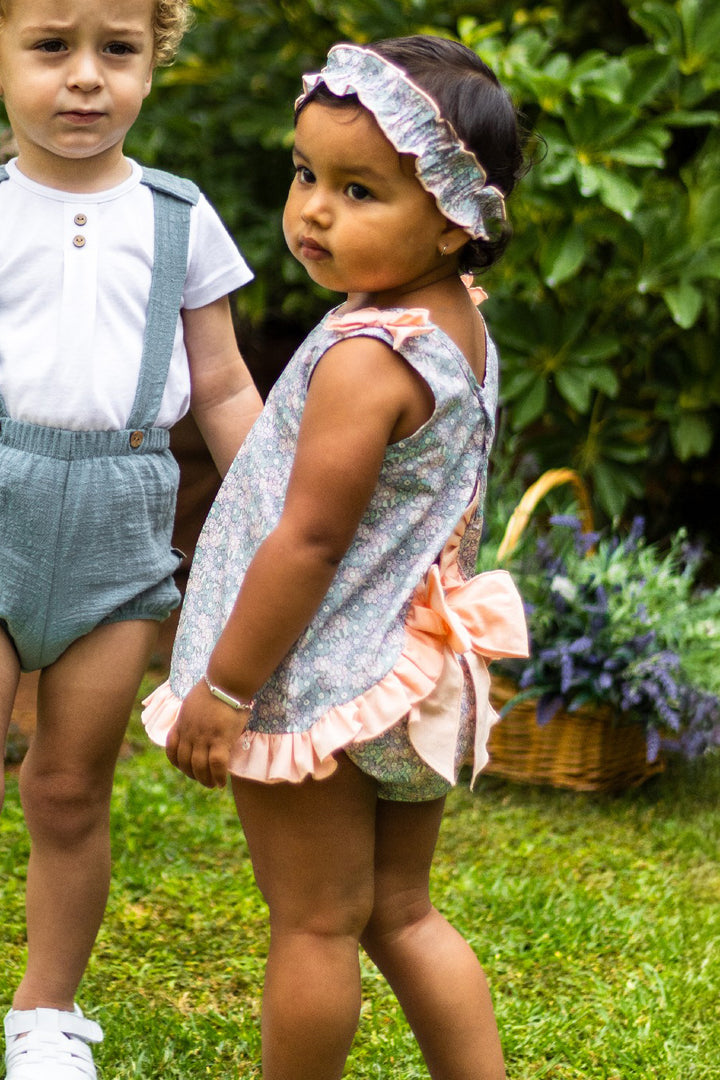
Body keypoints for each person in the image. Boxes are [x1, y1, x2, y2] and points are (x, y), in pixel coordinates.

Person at [144, 35, 529, 1080]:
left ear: (455, 222)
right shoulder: (455, 329)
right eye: (306, 173)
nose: (314, 208)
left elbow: (309, 541)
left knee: (314, 924)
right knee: (401, 911)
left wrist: (226, 685)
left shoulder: (368, 358)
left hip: (314, 680)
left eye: (360, 191)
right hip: (405, 670)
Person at [0, 0, 262, 1075]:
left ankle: (47, 1014)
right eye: (51, 47)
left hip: (121, 522)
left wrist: (281, 510)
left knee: (70, 785)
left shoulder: (178, 216)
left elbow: (227, 386)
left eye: (118, 51)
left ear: (156, 60)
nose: (85, 79)